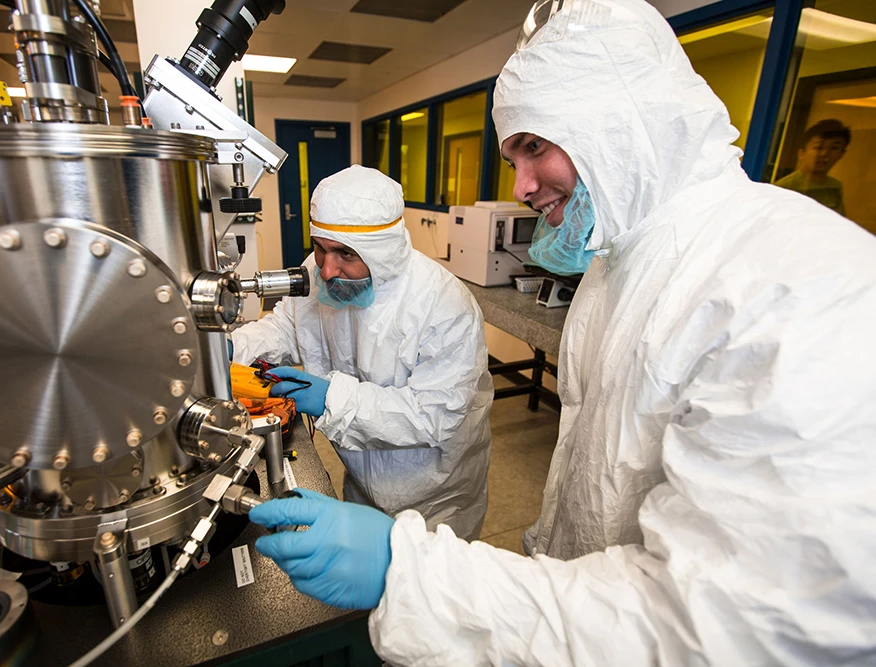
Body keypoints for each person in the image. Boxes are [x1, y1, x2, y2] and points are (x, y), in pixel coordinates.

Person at [247, 0, 876, 664]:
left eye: (534, 146)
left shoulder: (802, 288)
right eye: (512, 155)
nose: (519, 185)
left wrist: (410, 573)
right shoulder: (618, 271)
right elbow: (598, 483)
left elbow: (734, 630)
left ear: (615, 122)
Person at [231, 164, 493, 541]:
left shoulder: (444, 305)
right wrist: (233, 346)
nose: (325, 270)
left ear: (381, 253)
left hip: (433, 496)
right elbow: (286, 326)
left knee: (424, 593)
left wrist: (330, 398)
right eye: (319, 248)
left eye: (344, 254)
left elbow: (433, 416)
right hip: (360, 476)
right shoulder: (319, 269)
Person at [774, 118, 851, 216]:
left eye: (834, 148)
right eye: (819, 147)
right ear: (802, 153)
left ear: (842, 154)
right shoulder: (785, 187)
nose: (824, 154)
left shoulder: (835, 186)